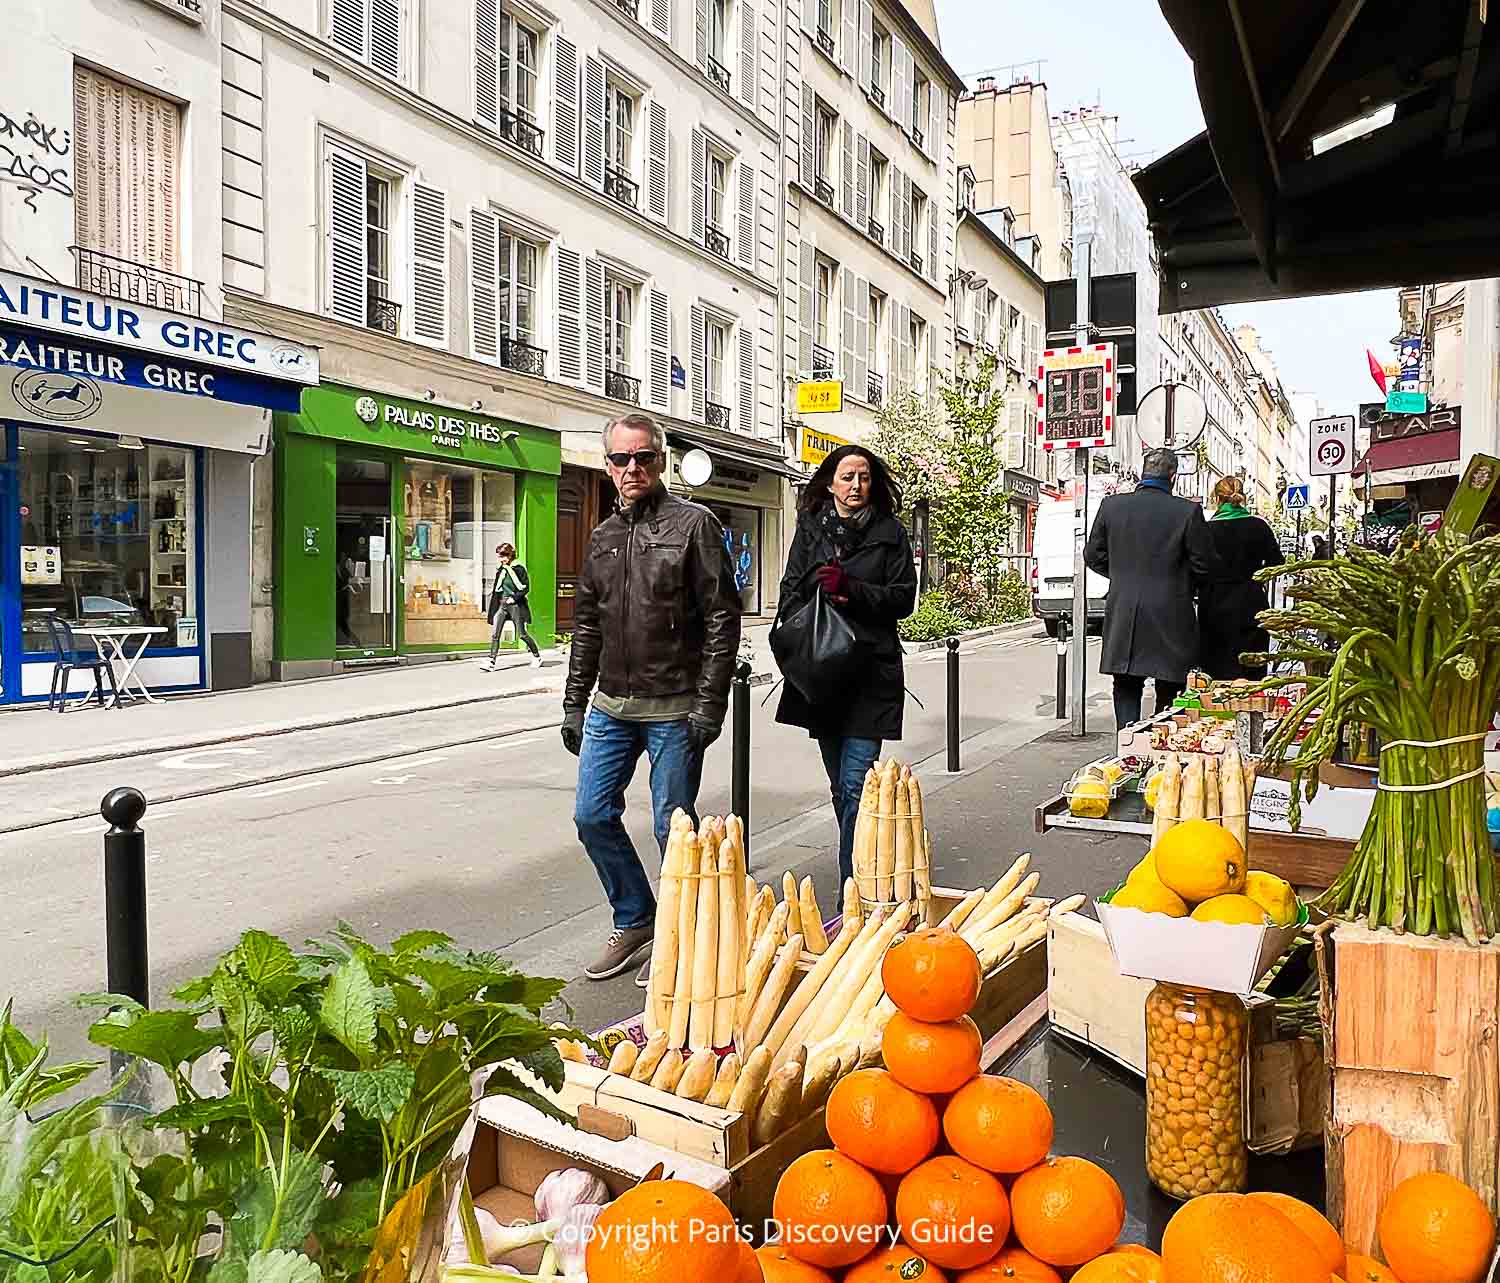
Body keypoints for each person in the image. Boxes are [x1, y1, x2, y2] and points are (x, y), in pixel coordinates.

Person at [563, 412, 741, 980]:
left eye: (643, 457)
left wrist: (710, 705)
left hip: (676, 704)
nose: (632, 467)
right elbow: (586, 623)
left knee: (674, 828)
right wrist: (574, 700)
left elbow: (722, 619)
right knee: (591, 815)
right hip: (611, 705)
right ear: (608, 465)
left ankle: (678, 937)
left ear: (660, 461)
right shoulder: (603, 536)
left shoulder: (695, 525)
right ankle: (637, 917)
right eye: (621, 459)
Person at [775, 445, 917, 884]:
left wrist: (850, 590)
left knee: (857, 786)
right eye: (847, 477)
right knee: (841, 786)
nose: (856, 486)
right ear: (830, 483)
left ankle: (852, 894)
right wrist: (814, 597)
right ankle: (865, 860)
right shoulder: (811, 529)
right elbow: (789, 591)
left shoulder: (890, 532)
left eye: (864, 478)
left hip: (871, 675)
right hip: (823, 676)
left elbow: (903, 599)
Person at [1084, 448, 1219, 729]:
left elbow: (1093, 556)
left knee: (1125, 683)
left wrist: (1121, 575)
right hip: (1171, 611)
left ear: (1143, 472)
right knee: (1170, 686)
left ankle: (1128, 744)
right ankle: (1161, 745)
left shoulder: (1112, 506)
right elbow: (1205, 565)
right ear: (1173, 476)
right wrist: (1182, 581)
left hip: (1125, 609)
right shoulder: (1187, 511)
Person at [1196, 477, 1283, 680]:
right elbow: (1277, 563)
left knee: (1216, 672)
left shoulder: (1205, 531)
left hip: (1213, 606)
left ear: (1217, 499)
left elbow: (1195, 567)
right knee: (1252, 669)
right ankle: (1251, 710)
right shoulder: (1258, 526)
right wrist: (1256, 577)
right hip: (1251, 604)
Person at [482, 543, 541, 669]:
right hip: (501, 605)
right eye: (499, 557)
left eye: (503, 556)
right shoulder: (502, 570)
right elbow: (497, 588)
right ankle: (491, 662)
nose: (501, 559)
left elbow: (525, 588)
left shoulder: (519, 569)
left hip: (515, 605)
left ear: (510, 555)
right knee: (495, 634)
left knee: (522, 634)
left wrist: (513, 598)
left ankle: (536, 656)